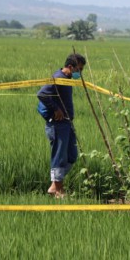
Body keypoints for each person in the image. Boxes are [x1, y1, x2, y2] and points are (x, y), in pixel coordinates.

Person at [36, 53, 86, 198]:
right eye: (79, 70)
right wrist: (55, 109)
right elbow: (42, 93)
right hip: (58, 124)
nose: (80, 73)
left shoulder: (67, 79)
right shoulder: (58, 77)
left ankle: (53, 186)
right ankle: (58, 190)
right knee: (59, 156)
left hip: (67, 123)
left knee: (72, 156)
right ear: (70, 67)